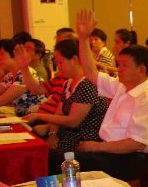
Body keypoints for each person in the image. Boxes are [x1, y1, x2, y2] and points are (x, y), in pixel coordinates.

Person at [72, 9, 148, 179]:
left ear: (141, 69)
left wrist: (96, 147)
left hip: (126, 161)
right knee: (61, 159)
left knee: (60, 161)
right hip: (108, 152)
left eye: (124, 66)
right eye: (119, 64)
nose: (119, 69)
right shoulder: (122, 87)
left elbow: (136, 143)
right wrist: (84, 38)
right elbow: (91, 73)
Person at [24, 38, 108, 166]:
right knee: (32, 145)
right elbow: (59, 114)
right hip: (66, 138)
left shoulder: (88, 84)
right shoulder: (68, 83)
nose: (58, 67)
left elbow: (73, 121)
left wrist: (38, 116)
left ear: (74, 60)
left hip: (82, 143)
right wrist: (52, 134)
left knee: (37, 155)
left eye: (61, 62)